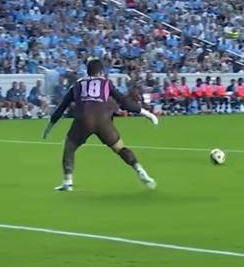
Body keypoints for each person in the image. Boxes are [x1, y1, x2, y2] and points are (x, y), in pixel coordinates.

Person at [42, 59, 160, 191]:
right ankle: (140, 170)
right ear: (100, 72)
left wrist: (49, 127)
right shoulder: (106, 83)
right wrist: (147, 114)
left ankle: (67, 182)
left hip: (83, 119)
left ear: (87, 71)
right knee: (120, 148)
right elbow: (124, 103)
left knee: (70, 146)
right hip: (103, 120)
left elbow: (61, 108)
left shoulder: (77, 84)